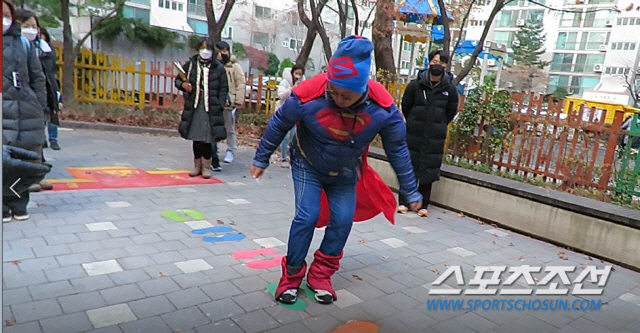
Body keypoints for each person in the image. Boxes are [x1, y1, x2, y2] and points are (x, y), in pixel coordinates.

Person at [251, 36, 422, 305]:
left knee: (342, 221)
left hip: (345, 173)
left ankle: (320, 276)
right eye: (334, 91)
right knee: (307, 217)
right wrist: (261, 159)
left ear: (363, 87)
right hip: (307, 163)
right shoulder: (308, 94)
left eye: (347, 95)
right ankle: (291, 277)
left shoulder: (383, 108)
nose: (339, 99)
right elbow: (280, 122)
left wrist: (410, 189)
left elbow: (398, 149)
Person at [399, 49, 459, 216]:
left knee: (428, 170)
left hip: (434, 136)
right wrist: (414, 121)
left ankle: (423, 205)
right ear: (428, 62)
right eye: (434, 62)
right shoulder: (416, 85)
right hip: (414, 133)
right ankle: (404, 201)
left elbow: (450, 111)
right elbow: (406, 106)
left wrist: (438, 124)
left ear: (446, 66)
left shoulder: (450, 89)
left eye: (441, 63)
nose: (437, 65)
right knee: (409, 167)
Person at [3, 0, 48, 222]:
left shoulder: (23, 43)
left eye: (6, 14)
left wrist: (39, 105)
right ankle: (3, 206)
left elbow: (38, 77)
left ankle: (19, 203)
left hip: (25, 109)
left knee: (23, 157)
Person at [175, 37, 229, 179]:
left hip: (211, 107)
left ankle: (206, 167)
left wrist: (220, 104)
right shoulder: (191, 65)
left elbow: (224, 90)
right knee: (196, 137)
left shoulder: (219, 68)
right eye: (202, 48)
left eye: (208, 49)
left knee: (207, 138)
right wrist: (183, 85)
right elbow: (178, 79)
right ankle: (196, 166)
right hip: (194, 106)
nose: (205, 51)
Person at [16, 10, 57, 192]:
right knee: (21, 141)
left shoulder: (44, 49)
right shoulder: (14, 47)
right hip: (19, 102)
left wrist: (52, 99)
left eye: (34, 27)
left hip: (40, 101)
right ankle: (23, 180)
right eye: (26, 26)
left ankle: (36, 176)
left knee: (37, 140)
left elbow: (48, 77)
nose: (31, 30)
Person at [214, 41, 245, 166]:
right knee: (214, 127)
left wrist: (238, 100)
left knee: (229, 128)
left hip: (228, 102)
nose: (222, 53)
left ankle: (230, 150)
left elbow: (240, 83)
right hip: (215, 101)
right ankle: (213, 150)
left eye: (225, 50)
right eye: (220, 51)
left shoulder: (235, 67)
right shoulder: (214, 66)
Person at [277, 64, 305, 168]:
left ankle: (292, 157)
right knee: (285, 137)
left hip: (296, 113)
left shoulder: (302, 83)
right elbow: (280, 95)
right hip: (284, 112)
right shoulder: (285, 82)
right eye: (296, 73)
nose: (298, 76)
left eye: (300, 74)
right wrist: (291, 89)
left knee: (294, 137)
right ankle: (283, 158)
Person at [38, 27, 61, 151]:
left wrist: (57, 92)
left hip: (50, 86)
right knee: (40, 115)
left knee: (52, 114)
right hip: (38, 86)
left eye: (43, 35)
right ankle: (41, 139)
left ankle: (53, 140)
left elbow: (53, 73)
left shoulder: (49, 51)